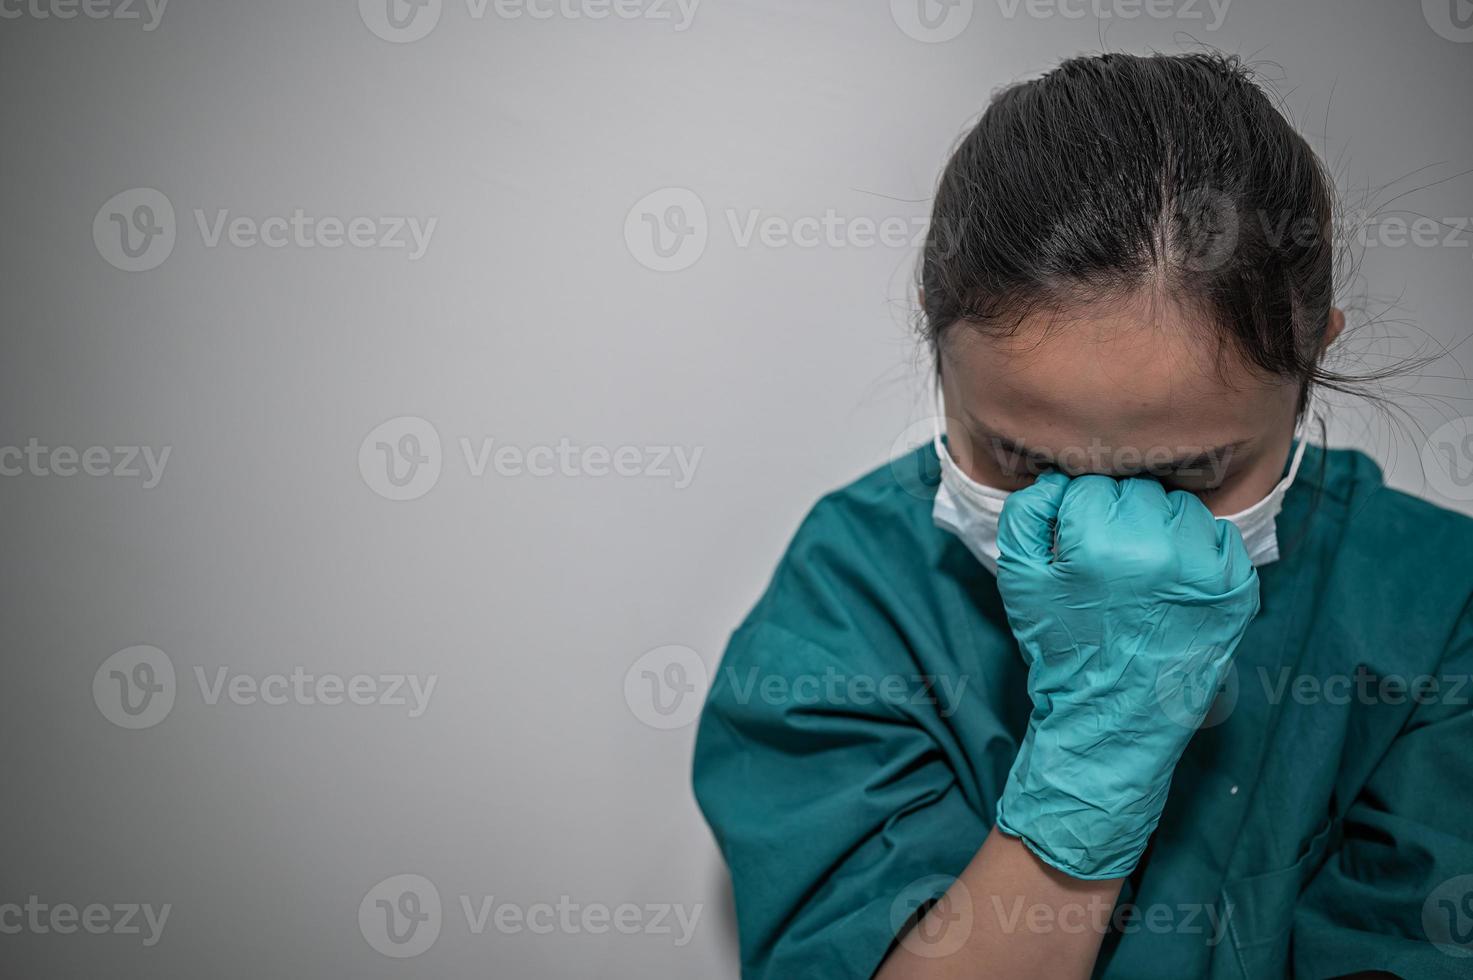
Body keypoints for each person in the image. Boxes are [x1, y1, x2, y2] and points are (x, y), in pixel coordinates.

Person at [691, 52, 1473, 979]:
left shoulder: (1436, 608)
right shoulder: (849, 601)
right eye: (1023, 461)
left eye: (1189, 473)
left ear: (1311, 361)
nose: (1103, 535)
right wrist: (1084, 781)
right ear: (934, 340)